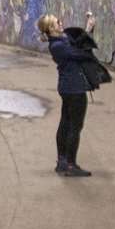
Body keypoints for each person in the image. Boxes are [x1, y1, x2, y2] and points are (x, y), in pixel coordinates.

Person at [38, 11, 106, 177]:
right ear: (51, 29)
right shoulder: (58, 46)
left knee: (66, 123)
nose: (61, 23)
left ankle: (62, 162)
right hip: (73, 89)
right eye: (57, 22)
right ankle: (70, 164)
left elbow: (76, 43)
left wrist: (88, 28)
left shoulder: (61, 41)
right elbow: (80, 52)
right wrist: (87, 35)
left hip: (69, 88)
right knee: (75, 126)